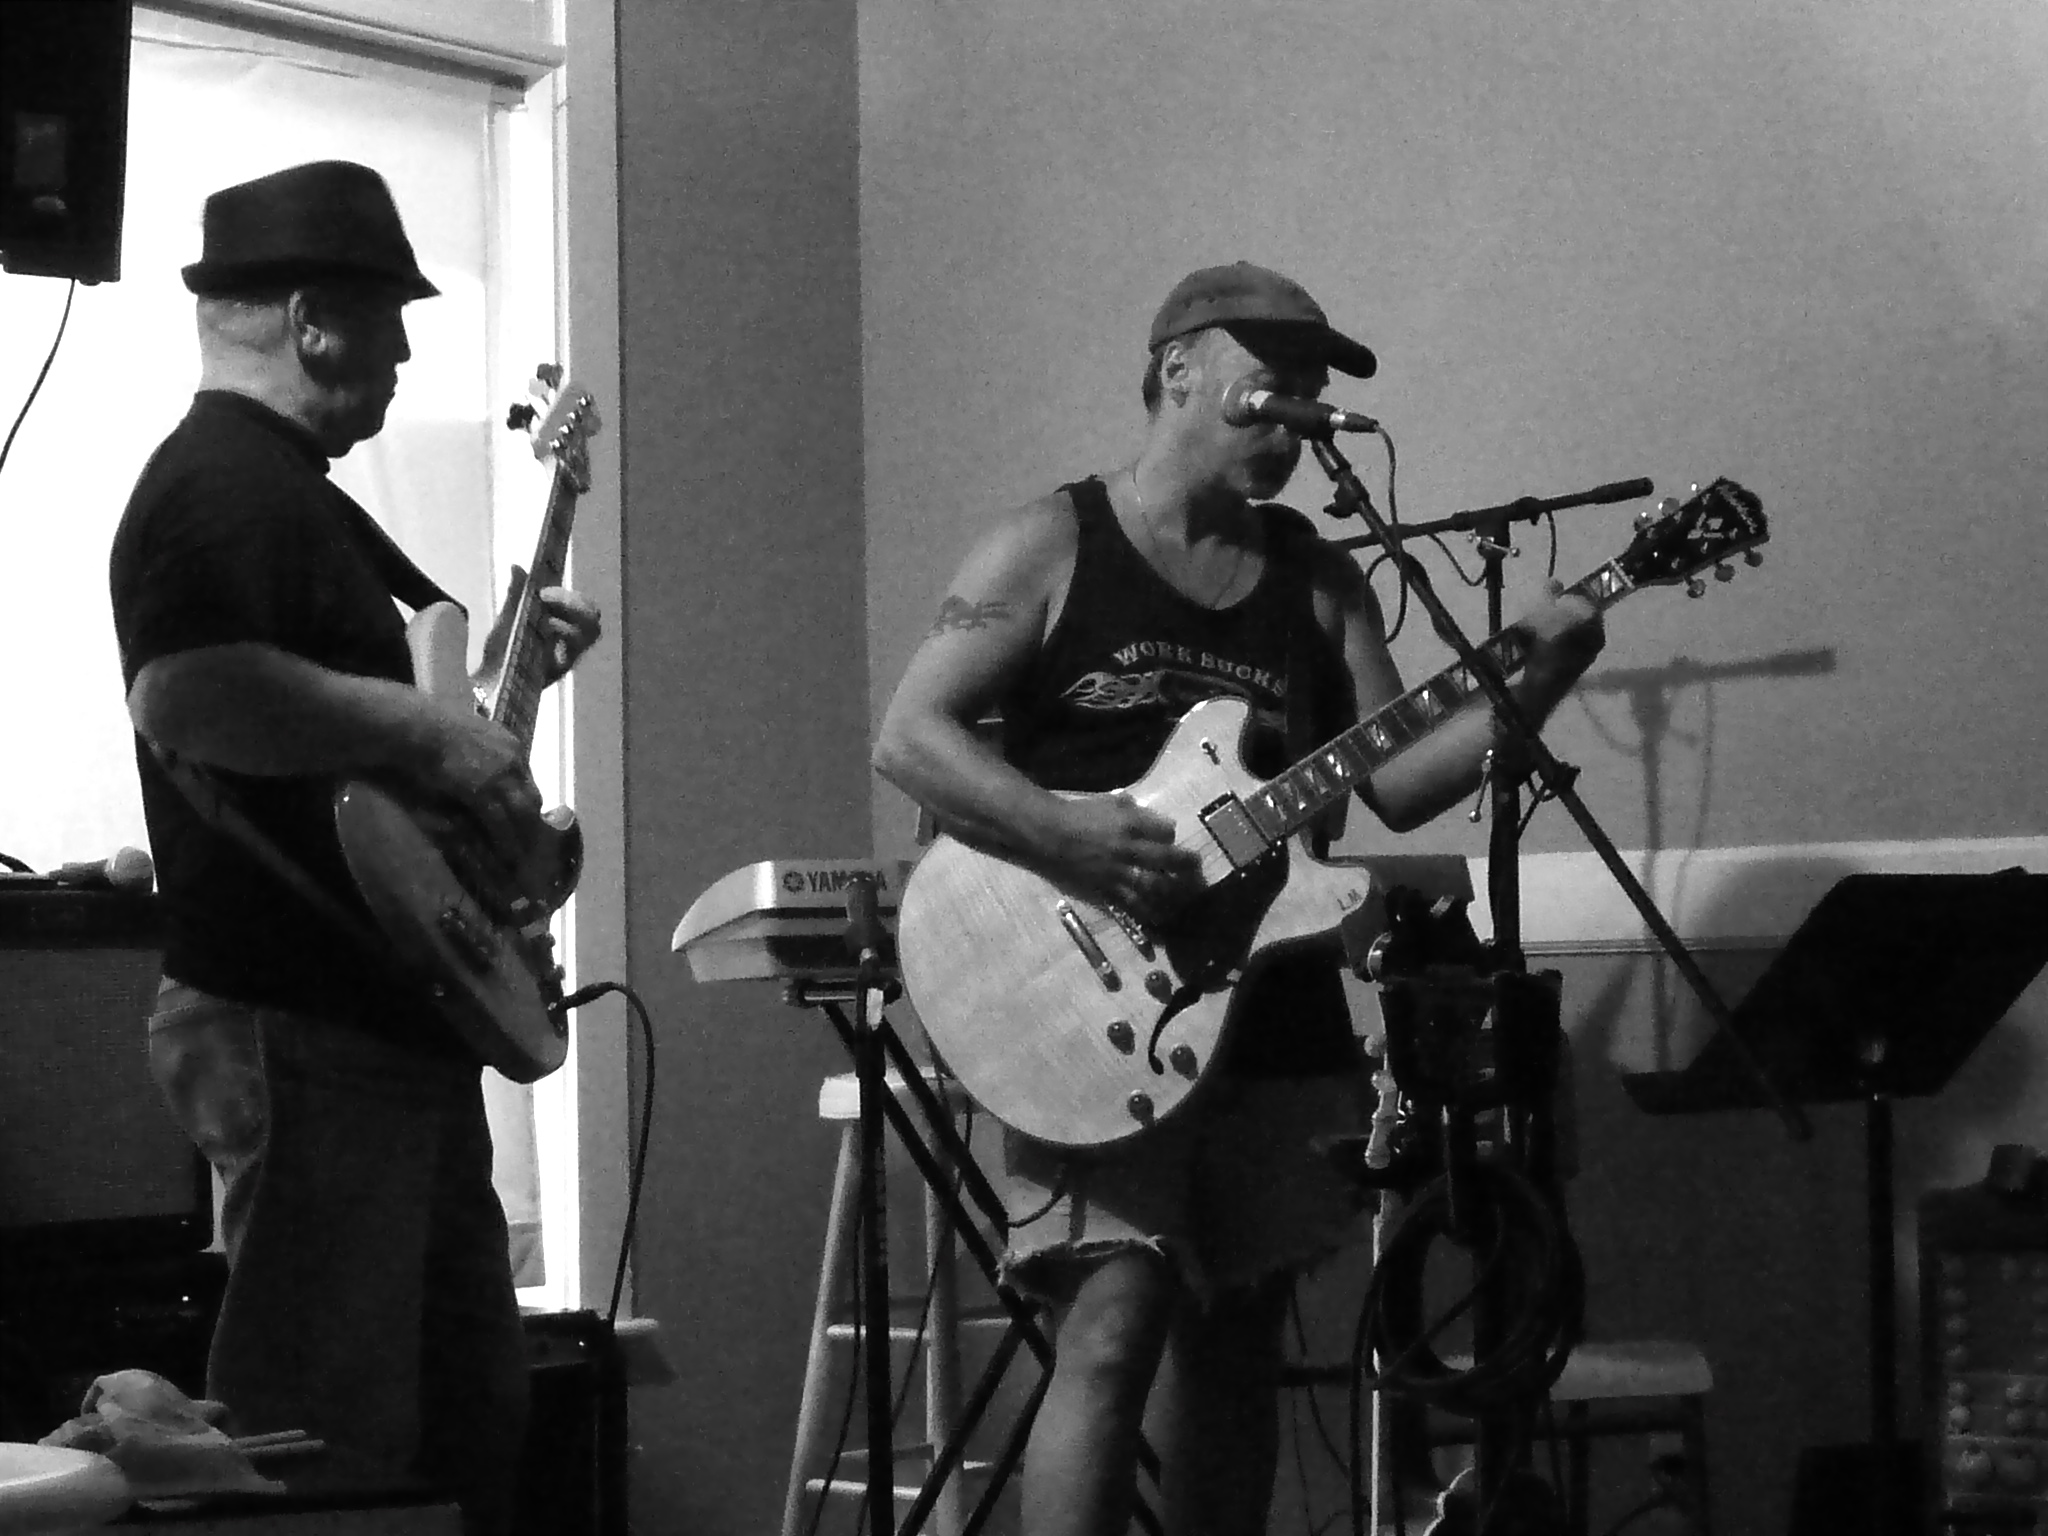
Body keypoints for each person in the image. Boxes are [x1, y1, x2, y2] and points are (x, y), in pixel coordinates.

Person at [872, 261, 1606, 1536]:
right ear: (1176, 371)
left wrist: (1537, 676)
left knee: (1235, 1346)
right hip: (1081, 996)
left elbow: (1399, 783)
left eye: (1312, 391)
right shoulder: (1051, 543)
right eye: (1272, 382)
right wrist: (1070, 837)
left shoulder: (1317, 582)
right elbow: (910, 737)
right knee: (1110, 1328)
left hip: (1267, 1001)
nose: (1296, 413)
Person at [108, 160, 602, 1535]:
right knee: (326, 1447)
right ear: (315, 320)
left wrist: (488, 700)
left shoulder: (293, 495)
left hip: (377, 1025)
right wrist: (431, 731)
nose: (401, 356)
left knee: (449, 1422)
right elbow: (185, 693)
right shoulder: (220, 485)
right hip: (304, 1023)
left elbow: (363, 757)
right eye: (389, 320)